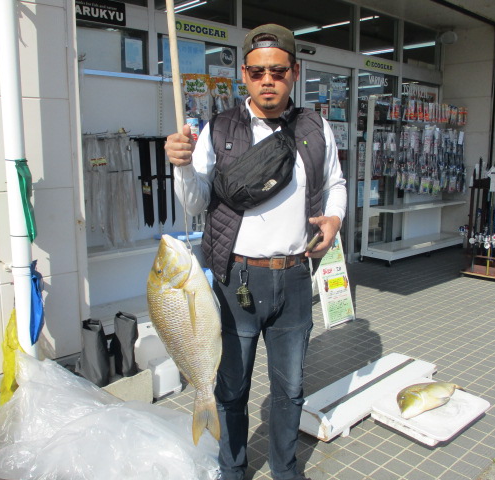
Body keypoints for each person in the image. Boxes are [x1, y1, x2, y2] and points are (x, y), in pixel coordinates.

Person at [165, 23, 347, 480]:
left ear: (295, 72)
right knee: (231, 389)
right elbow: (195, 202)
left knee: (290, 390)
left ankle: (286, 471)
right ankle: (233, 470)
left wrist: (335, 218)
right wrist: (182, 167)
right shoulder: (220, 129)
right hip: (235, 281)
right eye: (258, 72)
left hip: (295, 277)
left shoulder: (314, 127)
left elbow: (336, 184)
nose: (268, 81)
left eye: (278, 71)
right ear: (244, 74)